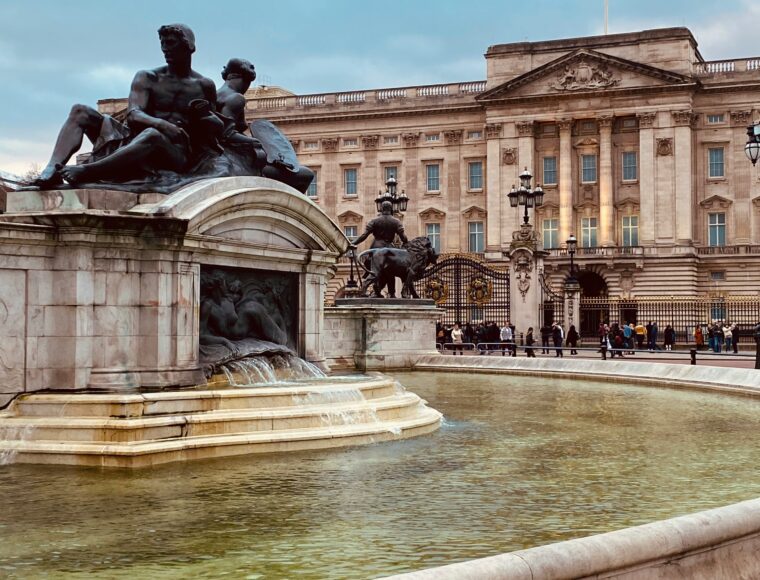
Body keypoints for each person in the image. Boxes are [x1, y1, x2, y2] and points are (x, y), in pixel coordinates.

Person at [31, 24, 219, 188]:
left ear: (189, 46)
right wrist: (164, 125)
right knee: (80, 111)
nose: (164, 49)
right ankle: (52, 169)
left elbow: (217, 130)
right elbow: (133, 114)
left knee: (152, 135)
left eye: (170, 43)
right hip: (134, 139)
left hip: (176, 154)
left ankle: (88, 171)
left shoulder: (204, 85)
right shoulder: (148, 77)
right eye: (162, 43)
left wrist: (206, 118)